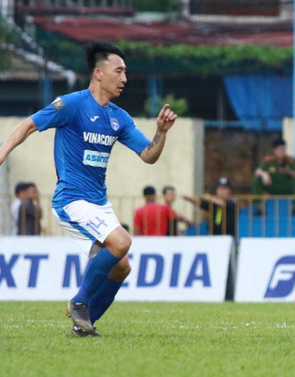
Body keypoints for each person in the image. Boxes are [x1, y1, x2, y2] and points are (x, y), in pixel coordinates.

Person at [0, 41, 178, 337]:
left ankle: (84, 325)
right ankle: (79, 300)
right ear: (99, 73)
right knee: (121, 242)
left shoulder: (119, 117)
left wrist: (160, 132)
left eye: (125, 72)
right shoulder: (71, 104)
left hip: (98, 202)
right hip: (71, 199)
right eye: (119, 71)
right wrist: (3, 151)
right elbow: (28, 125)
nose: (124, 78)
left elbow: (148, 155)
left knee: (122, 267)